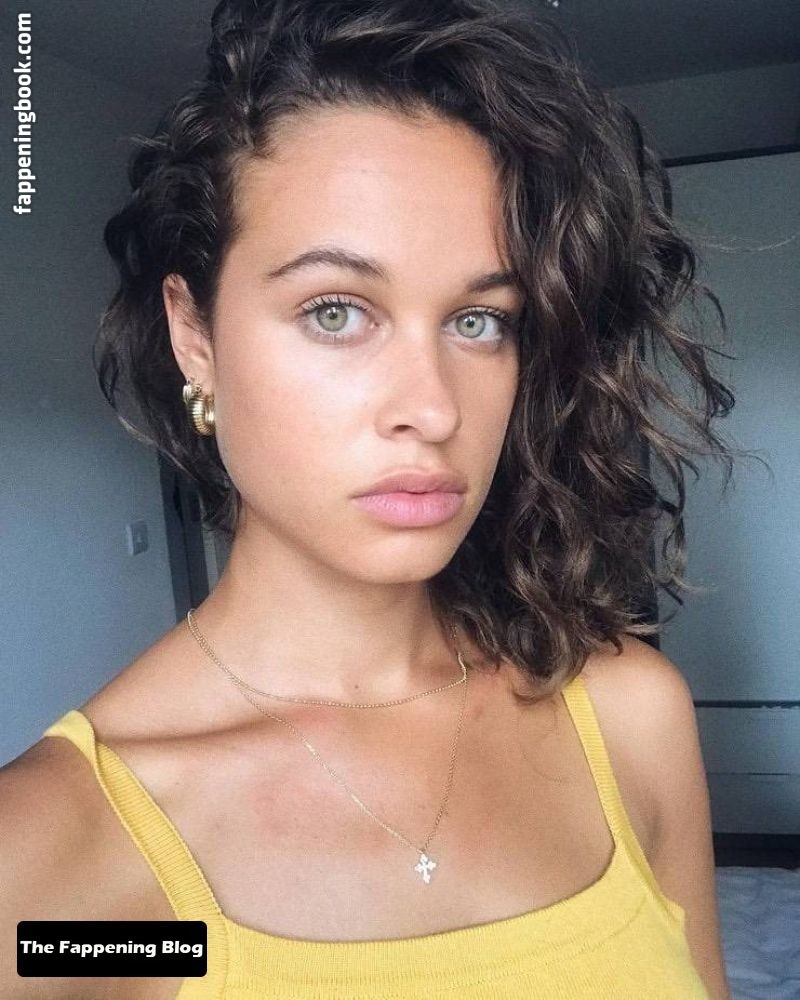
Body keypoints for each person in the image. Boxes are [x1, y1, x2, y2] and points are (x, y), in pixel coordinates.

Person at [1, 0, 738, 996]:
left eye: (478, 320)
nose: (432, 408)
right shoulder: (50, 861)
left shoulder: (629, 719)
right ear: (194, 336)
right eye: (336, 311)